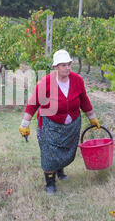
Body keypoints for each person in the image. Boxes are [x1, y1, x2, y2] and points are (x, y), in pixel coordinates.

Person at [19, 49, 101, 194]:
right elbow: (33, 104)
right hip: (50, 124)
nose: (67, 67)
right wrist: (24, 125)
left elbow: (84, 101)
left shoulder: (77, 80)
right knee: (50, 152)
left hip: (71, 125)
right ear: (55, 67)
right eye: (63, 65)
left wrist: (92, 118)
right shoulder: (46, 82)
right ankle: (50, 183)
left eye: (69, 64)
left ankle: (60, 169)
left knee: (66, 150)